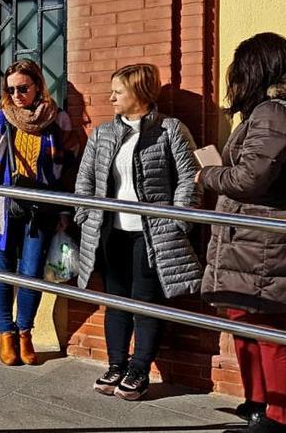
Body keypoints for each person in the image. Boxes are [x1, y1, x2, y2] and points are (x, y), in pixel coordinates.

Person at [74, 63, 202, 401]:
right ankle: (116, 365)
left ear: (140, 94)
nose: (111, 97)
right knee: (115, 301)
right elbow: (84, 181)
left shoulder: (170, 130)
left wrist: (177, 222)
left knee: (146, 302)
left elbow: (190, 178)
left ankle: (139, 368)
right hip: (112, 232)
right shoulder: (103, 133)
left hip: (151, 235)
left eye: (118, 91)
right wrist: (85, 216)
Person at [198, 33, 286, 433]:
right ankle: (256, 402)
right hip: (246, 242)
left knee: (268, 331)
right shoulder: (260, 113)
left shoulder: (273, 112)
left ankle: (277, 416)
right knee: (243, 321)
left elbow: (252, 177)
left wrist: (208, 174)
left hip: (263, 244)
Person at [0, 59, 72, 366]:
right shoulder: (0, 119)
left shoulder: (58, 120)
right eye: (11, 89)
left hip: (42, 207)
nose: (16, 95)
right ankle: (5, 334)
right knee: (1, 269)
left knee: (32, 273)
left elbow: (70, 168)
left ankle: (25, 333)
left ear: (38, 85)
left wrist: (65, 207)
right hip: (1, 205)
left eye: (23, 88)